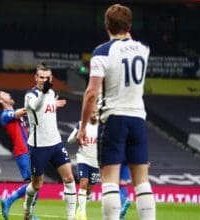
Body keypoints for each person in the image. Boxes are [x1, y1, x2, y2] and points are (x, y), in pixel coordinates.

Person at [76, 4, 156, 220]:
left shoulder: (102, 52)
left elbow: (92, 93)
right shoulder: (143, 49)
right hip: (138, 119)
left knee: (110, 179)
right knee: (142, 181)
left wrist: (83, 126)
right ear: (129, 25)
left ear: (106, 25)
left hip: (114, 118)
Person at [23, 62, 76, 220]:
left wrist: (53, 103)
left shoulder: (51, 93)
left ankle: (71, 217)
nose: (44, 80)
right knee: (37, 185)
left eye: (47, 78)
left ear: (51, 78)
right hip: (38, 146)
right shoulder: (30, 95)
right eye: (41, 77)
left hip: (56, 143)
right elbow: (35, 107)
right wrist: (45, 94)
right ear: (36, 78)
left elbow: (47, 107)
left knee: (69, 178)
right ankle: (27, 207)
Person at [68, 108, 131, 220]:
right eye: (92, 112)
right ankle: (82, 213)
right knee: (83, 181)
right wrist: (77, 134)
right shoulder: (82, 124)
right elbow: (69, 140)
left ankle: (79, 210)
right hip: (83, 158)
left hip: (96, 162)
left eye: (96, 112)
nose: (94, 114)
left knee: (89, 189)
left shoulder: (102, 127)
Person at [0, 90, 38, 220]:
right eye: (4, 94)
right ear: (1, 101)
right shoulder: (5, 115)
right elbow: (23, 111)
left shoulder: (16, 115)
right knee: (34, 184)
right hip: (22, 152)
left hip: (29, 151)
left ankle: (29, 214)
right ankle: (10, 201)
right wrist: (42, 101)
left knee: (36, 185)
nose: (9, 94)